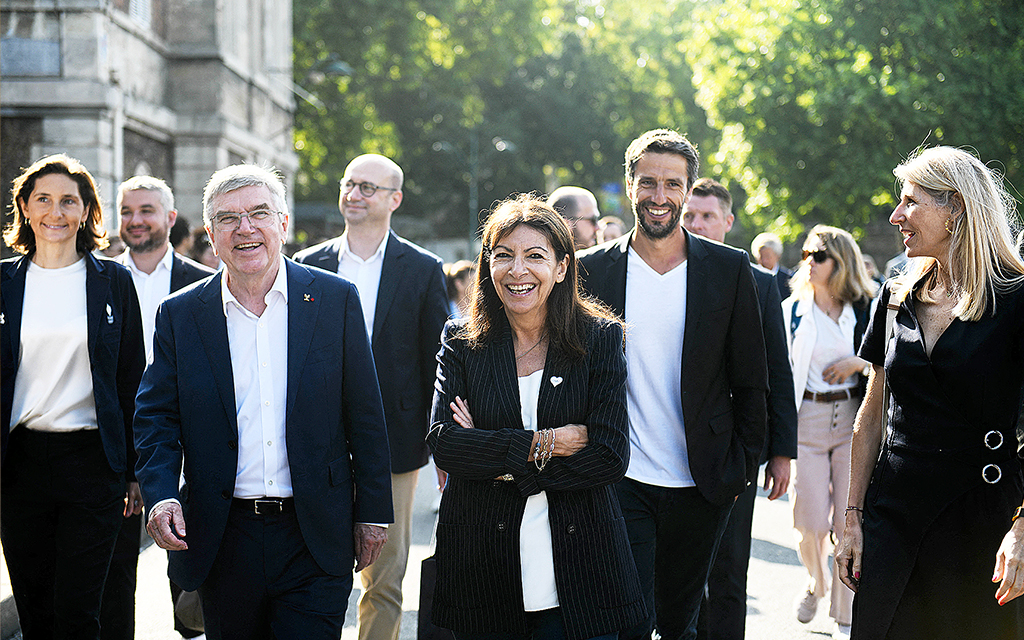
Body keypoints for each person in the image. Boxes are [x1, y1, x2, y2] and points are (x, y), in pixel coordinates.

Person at [133, 164, 394, 640]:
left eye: (259, 214)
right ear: (211, 234)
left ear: (283, 224)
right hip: (222, 535)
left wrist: (373, 510)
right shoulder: (181, 314)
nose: (246, 229)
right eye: (229, 219)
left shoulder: (335, 300)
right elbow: (156, 417)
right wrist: (162, 494)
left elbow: (366, 414)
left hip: (313, 534)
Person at [427, 193, 646, 640]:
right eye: (503, 255)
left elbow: (608, 456)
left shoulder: (600, 338)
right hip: (485, 565)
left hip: (581, 569)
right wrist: (545, 442)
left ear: (562, 267)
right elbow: (445, 443)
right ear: (487, 264)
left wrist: (496, 462)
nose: (517, 270)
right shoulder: (463, 340)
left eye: (535, 256)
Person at [577, 129, 768, 640]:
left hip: (700, 482)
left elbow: (752, 377)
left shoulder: (727, 269)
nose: (659, 197)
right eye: (647, 183)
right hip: (621, 477)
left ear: (687, 189)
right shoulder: (593, 270)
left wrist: (742, 465)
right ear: (630, 184)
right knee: (629, 619)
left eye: (672, 184)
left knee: (679, 622)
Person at [835, 146, 1024, 639]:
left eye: (910, 203)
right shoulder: (896, 296)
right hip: (892, 515)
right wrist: (852, 518)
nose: (897, 216)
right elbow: (871, 412)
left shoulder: (1018, 298)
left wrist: (1023, 529)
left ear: (956, 207)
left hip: (982, 520)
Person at [293, 153, 449, 640]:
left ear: (394, 200)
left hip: (394, 444)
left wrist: (440, 443)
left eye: (368, 187)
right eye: (349, 184)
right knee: (313, 570)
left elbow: (436, 361)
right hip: (317, 444)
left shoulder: (423, 269)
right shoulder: (305, 264)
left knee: (385, 575)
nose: (354, 194)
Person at [1, 153, 146, 639]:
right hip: (18, 463)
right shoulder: (3, 284)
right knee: (35, 611)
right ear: (24, 207)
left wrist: (132, 472)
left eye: (69, 201)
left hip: (92, 464)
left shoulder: (114, 282)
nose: (55, 212)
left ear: (86, 212)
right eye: (43, 199)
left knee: (81, 614)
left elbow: (131, 381)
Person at [683, 178, 797, 640]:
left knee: (728, 573)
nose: (697, 224)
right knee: (675, 576)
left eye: (707, 216)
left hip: (733, 450)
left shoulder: (761, 283)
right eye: (690, 215)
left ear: (728, 222)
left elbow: (776, 371)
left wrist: (781, 450)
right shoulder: (661, 275)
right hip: (666, 447)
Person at [105, 175, 214, 640]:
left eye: (146, 210)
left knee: (189, 571)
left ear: (170, 218)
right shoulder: (101, 279)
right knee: (113, 574)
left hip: (190, 442)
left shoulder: (205, 284)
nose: (135, 220)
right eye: (127, 211)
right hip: (115, 443)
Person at [781, 225, 875, 640]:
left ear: (840, 261)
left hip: (853, 419)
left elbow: (889, 360)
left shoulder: (867, 308)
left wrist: (858, 363)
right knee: (811, 519)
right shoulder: (793, 310)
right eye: (805, 254)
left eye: (818, 255)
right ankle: (815, 583)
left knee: (847, 519)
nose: (809, 262)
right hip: (808, 421)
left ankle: (844, 614)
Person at [752, 232, 793, 298]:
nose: (764, 260)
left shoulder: (789, 279)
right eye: (760, 257)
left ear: (777, 256)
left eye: (767, 256)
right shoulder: (752, 278)